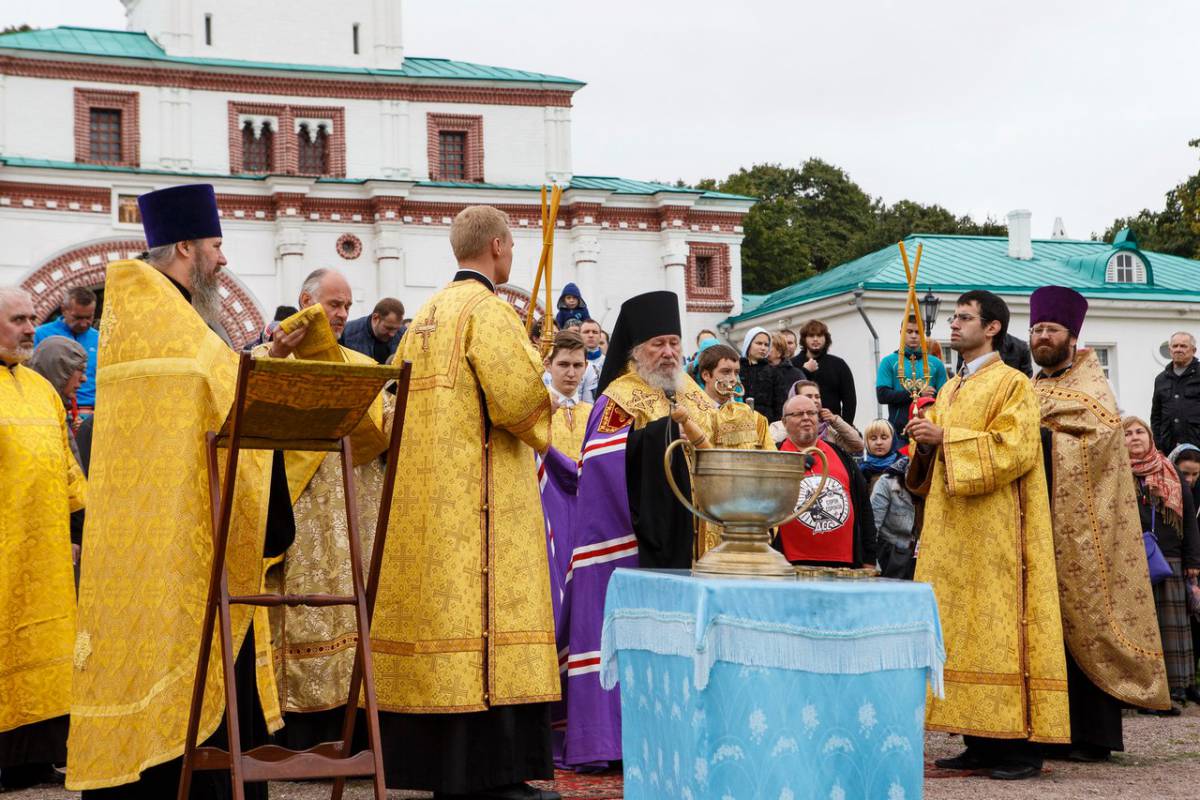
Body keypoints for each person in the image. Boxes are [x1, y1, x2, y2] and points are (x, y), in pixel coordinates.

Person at [68, 184, 295, 799]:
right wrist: (270, 372)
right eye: (216, 246)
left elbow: (211, 384)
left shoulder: (158, 315)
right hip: (180, 543)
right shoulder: (163, 317)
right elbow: (224, 390)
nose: (224, 259)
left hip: (159, 535)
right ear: (187, 247)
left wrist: (260, 357)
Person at [369, 205, 561, 800]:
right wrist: (542, 385)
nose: (514, 254)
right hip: (482, 503)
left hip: (429, 502)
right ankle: (491, 776)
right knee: (486, 625)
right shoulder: (489, 311)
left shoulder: (424, 315)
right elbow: (518, 404)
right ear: (498, 246)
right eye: (513, 246)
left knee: (444, 626)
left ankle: (445, 774)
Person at [905, 289, 1068, 780]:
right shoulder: (951, 387)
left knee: (1002, 630)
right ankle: (977, 741)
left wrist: (946, 438)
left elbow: (1016, 448)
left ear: (992, 327)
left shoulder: (1013, 383)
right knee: (960, 631)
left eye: (964, 318)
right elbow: (930, 464)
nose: (953, 325)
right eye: (953, 317)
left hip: (1000, 533)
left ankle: (1018, 750)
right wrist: (923, 444)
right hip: (952, 534)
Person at [556, 290, 714, 769]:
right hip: (638, 544)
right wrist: (664, 436)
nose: (668, 352)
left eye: (674, 343)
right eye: (657, 344)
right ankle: (618, 740)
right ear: (636, 352)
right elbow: (603, 463)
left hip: (700, 538)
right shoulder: (618, 397)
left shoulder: (694, 392)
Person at [1029, 286, 1170, 758]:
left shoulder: (1093, 388)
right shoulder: (1030, 387)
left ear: (1072, 337)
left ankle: (1094, 737)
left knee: (1088, 618)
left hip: (1086, 532)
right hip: (1040, 524)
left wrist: (1042, 439)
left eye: (1050, 329)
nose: (1041, 336)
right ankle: (1052, 729)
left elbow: (1100, 444)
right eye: (1036, 329)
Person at [255, 268, 391, 750]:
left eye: (347, 306)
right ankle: (296, 733)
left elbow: (385, 431)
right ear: (306, 302)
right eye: (334, 304)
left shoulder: (360, 364)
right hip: (296, 517)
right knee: (297, 610)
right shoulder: (268, 359)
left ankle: (351, 730)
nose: (341, 314)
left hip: (352, 517)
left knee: (353, 612)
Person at [0, 288, 86, 791]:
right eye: (18, 319)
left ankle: (35, 758)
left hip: (47, 551)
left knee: (48, 649)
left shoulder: (41, 389)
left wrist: (80, 525)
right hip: (5, 546)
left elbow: (67, 465)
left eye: (33, 318)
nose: (31, 328)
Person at [1123, 415, 1200, 712]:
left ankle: (1174, 688)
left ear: (1150, 436)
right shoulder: (1115, 473)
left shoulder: (1171, 471)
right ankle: (1142, 690)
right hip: (1130, 561)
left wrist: (1193, 561)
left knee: (1171, 630)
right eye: (1128, 433)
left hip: (1170, 557)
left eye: (1139, 431)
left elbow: (1189, 520)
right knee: (1141, 629)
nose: (1134, 437)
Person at [774, 394, 875, 568]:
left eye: (811, 413)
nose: (806, 418)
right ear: (784, 422)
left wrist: (869, 559)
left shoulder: (841, 455)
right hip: (789, 563)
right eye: (798, 414)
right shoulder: (774, 456)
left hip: (843, 564)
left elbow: (864, 508)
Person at [695, 343, 775, 557]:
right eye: (725, 371)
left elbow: (770, 464)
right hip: (705, 510)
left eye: (736, 372)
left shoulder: (755, 419)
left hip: (745, 512)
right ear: (706, 375)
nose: (732, 378)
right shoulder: (692, 416)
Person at [34, 286, 99, 421]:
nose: (83, 324)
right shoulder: (40, 335)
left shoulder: (100, 338)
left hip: (95, 413)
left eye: (89, 317)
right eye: (78, 317)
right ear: (64, 310)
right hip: (55, 410)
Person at [863, 419, 917, 579]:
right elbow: (872, 523)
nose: (879, 442)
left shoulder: (906, 470)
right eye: (873, 438)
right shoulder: (864, 473)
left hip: (914, 551)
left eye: (884, 437)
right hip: (890, 553)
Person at [876, 315, 948, 433]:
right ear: (901, 333)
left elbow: (945, 398)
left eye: (918, 332)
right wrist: (918, 392)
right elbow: (883, 395)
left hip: (929, 428)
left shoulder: (936, 364)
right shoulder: (888, 362)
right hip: (899, 431)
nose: (914, 336)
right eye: (909, 331)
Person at [772, 380, 864, 455]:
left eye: (817, 397)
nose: (815, 400)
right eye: (809, 396)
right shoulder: (778, 426)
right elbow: (772, 450)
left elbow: (857, 446)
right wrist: (792, 425)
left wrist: (836, 421)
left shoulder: (829, 428)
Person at [792, 319, 856, 424]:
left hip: (832, 426)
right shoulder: (793, 364)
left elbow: (849, 400)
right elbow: (790, 394)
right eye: (811, 336)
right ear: (804, 339)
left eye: (819, 335)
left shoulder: (838, 364)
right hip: (801, 424)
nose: (815, 339)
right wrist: (805, 371)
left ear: (826, 339)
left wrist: (844, 425)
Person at [544, 329, 592, 461]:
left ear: (585, 366)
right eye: (563, 365)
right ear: (548, 365)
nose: (571, 373)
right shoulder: (536, 411)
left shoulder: (593, 413)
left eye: (577, 365)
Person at [1151, 332, 1200, 454]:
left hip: (1197, 448)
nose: (1178, 349)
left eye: (1183, 346)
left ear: (1193, 350)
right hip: (1169, 449)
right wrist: (1158, 444)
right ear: (1170, 350)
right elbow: (1156, 416)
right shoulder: (1161, 379)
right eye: (1175, 346)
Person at [339, 297, 406, 363]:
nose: (392, 334)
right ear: (375, 318)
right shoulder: (346, 333)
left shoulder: (405, 335)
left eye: (397, 329)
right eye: (388, 328)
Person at [740, 326, 784, 421]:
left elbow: (779, 403)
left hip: (765, 421)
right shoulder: (737, 369)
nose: (763, 348)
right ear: (748, 344)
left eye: (766, 345)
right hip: (739, 420)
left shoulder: (773, 372)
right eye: (759, 343)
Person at [768, 331, 803, 411]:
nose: (764, 349)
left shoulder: (795, 374)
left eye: (769, 346)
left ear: (779, 352)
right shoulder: (760, 372)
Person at [578, 319, 605, 404]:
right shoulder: (572, 363)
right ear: (579, 335)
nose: (590, 335)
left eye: (595, 332)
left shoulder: (608, 363)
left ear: (600, 336)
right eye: (586, 332)